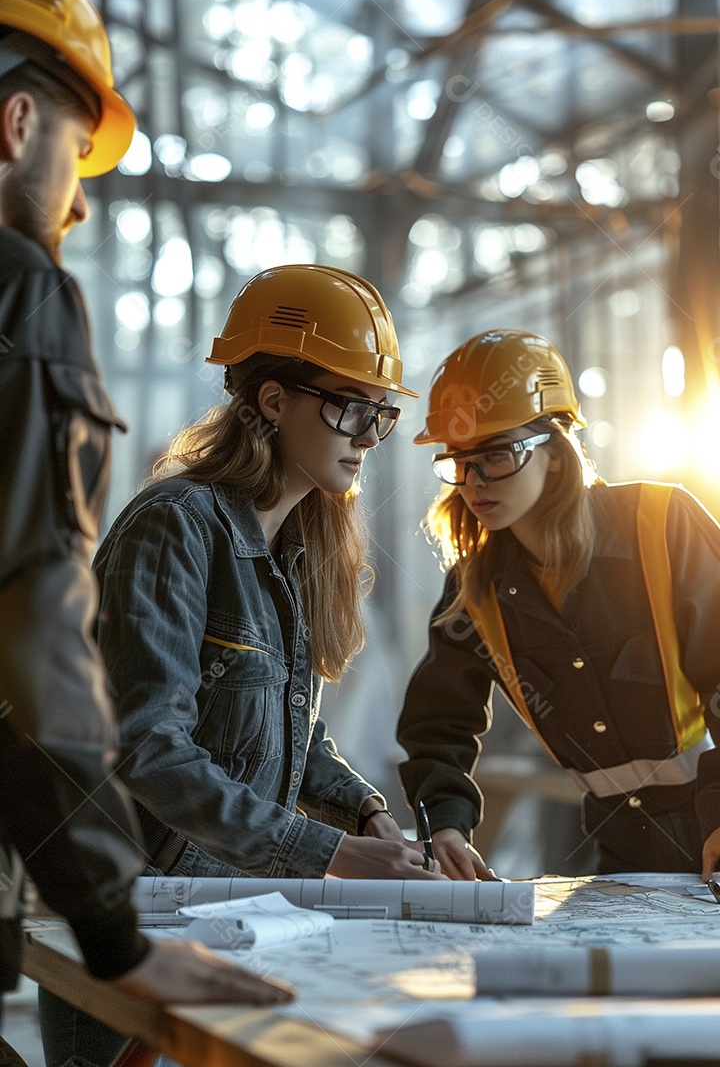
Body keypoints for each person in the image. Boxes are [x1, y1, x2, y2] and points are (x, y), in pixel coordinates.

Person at [38, 264, 444, 1066]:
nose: (366, 435)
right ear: (271, 399)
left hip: (243, 911)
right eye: (349, 407)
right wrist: (325, 853)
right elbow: (147, 744)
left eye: (379, 414)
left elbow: (293, 727)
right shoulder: (177, 526)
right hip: (143, 919)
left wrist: (363, 813)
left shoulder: (292, 548)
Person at [0, 0, 293, 1025]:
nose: (78, 205)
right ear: (19, 123)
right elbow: (33, 645)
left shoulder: (290, 552)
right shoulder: (23, 292)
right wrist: (115, 928)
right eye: (78, 161)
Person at [396, 328, 720, 881]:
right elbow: (438, 727)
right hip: (620, 848)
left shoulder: (664, 527)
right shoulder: (474, 593)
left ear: (556, 451)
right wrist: (446, 824)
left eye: (495, 457)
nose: (472, 483)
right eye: (459, 462)